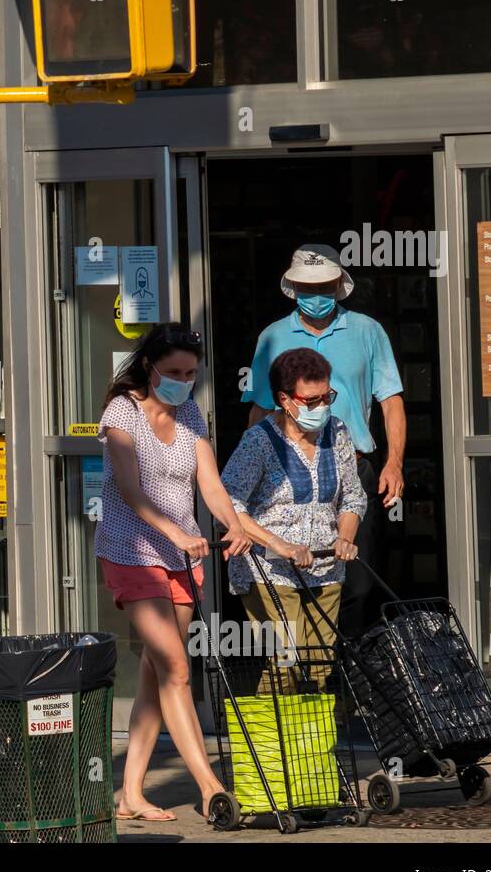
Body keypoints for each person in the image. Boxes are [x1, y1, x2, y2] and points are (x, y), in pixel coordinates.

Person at [96, 322, 252, 822]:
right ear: (149, 366)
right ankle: (210, 787)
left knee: (155, 675)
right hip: (132, 549)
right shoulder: (123, 412)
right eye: (174, 372)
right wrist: (177, 532)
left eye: (191, 372)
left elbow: (210, 482)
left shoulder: (189, 414)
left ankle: (131, 794)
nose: (183, 381)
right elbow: (131, 491)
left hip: (183, 557)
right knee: (177, 671)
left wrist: (233, 525)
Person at [242, 244, 405, 637]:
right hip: (285, 471)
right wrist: (250, 474)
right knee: (292, 576)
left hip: (352, 467)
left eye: (324, 286)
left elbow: (392, 401)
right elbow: (261, 410)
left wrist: (394, 463)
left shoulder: (368, 331)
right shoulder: (272, 336)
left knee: (357, 580)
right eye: (306, 287)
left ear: (339, 284)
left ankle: (343, 670)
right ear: (292, 287)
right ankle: (314, 675)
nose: (315, 296)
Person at [222, 348, 367, 683]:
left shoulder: (338, 432)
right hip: (271, 570)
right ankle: (269, 736)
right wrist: (281, 545)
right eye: (311, 400)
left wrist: (345, 538)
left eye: (327, 397)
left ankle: (312, 736)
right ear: (285, 400)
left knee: (319, 666)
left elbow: (353, 497)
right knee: (286, 664)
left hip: (326, 567)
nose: (322, 407)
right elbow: (230, 504)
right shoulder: (258, 441)